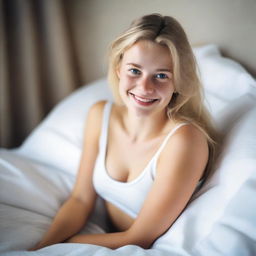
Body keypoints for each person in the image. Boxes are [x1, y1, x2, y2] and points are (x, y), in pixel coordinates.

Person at [30, 13, 216, 250]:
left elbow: (139, 237)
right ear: (118, 68)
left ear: (178, 81)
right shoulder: (100, 115)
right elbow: (80, 199)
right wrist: (40, 247)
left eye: (161, 76)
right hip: (105, 237)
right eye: (135, 71)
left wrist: (65, 244)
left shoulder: (184, 140)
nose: (144, 87)